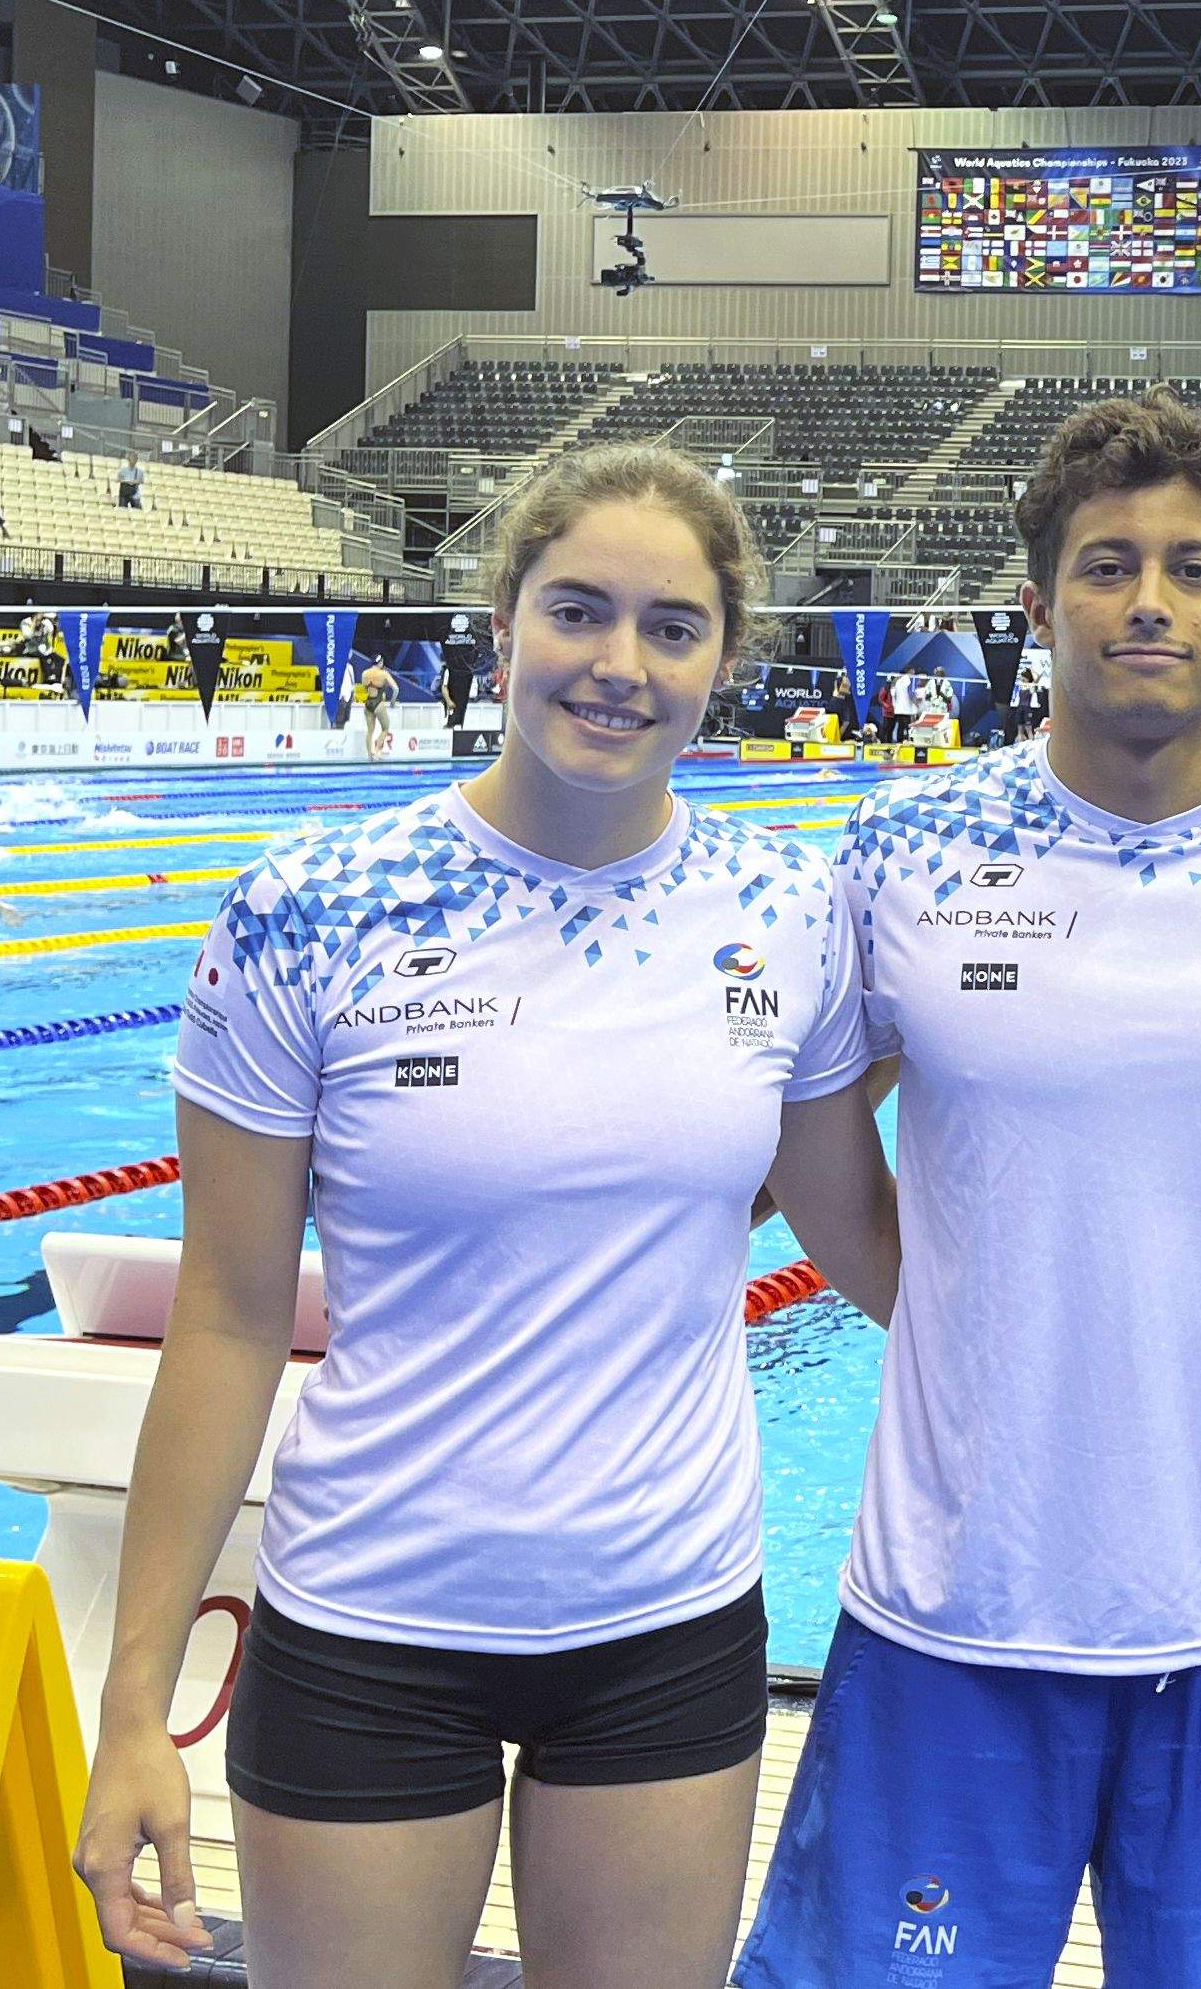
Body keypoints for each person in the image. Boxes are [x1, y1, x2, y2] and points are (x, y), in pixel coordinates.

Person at [72, 443, 899, 1988]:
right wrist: (134, 1706)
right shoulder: (315, 905)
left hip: (665, 1611)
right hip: (374, 1614)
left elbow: (873, 1250)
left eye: (672, 625)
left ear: (726, 653)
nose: (618, 662)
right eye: (577, 609)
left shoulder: (786, 913)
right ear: (502, 618)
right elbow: (233, 1315)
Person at [737, 387, 1201, 1989]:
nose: (1149, 601)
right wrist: (963, 1304)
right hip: (956, 1606)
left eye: (1192, 567)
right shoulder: (906, 838)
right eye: (1108, 565)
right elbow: (816, 1133)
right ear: (1039, 601)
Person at [439, 610, 483, 729]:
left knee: (459, 722)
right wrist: (448, 701)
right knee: (451, 723)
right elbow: (443, 687)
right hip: (450, 704)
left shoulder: (469, 672)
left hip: (462, 698)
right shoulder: (448, 670)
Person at [182, 610, 226, 719]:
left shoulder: (215, 636)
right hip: (191, 656)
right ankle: (193, 683)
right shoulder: (178, 630)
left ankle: (216, 685)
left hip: (208, 655)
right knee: (191, 661)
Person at [353, 655, 398, 761]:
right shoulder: (384, 674)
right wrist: (392, 702)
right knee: (385, 728)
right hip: (378, 703)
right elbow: (396, 689)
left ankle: (369, 756)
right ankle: (377, 751)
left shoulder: (365, 673)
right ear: (381, 662)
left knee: (370, 731)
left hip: (368, 703)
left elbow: (364, 688)